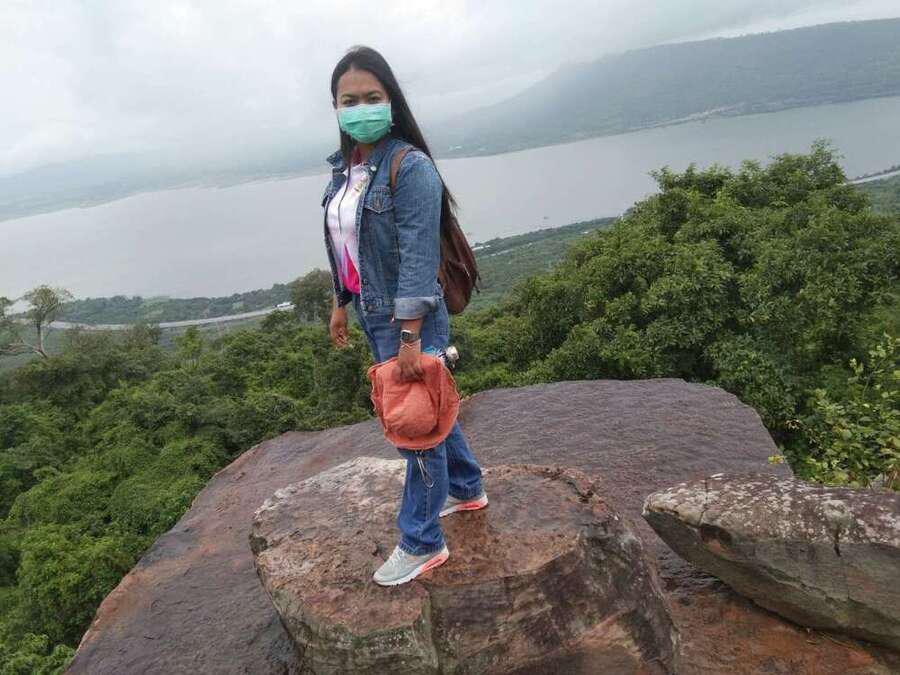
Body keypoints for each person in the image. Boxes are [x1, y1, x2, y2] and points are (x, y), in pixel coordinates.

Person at [322, 45, 487, 587]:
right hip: (371, 312)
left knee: (415, 427)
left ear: (391, 100)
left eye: (372, 97)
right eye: (349, 100)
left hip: (408, 319)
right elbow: (345, 245)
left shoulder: (409, 166)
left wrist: (411, 335)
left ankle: (422, 541)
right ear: (335, 107)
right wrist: (340, 303)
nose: (361, 108)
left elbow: (418, 255)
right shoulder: (345, 170)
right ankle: (466, 488)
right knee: (426, 407)